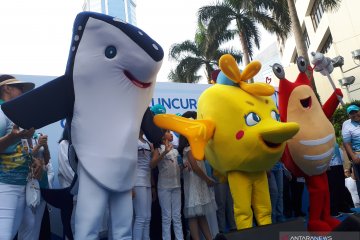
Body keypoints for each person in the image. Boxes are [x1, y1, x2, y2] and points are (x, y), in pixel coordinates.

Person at [0, 74, 43, 240]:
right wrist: (12, 137)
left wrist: (37, 160)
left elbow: (25, 148)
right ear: (6, 88)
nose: (23, 92)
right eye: (20, 88)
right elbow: (13, 139)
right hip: (4, 185)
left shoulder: (18, 116)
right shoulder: (1, 113)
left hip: (21, 185)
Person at [178, 111, 217, 240]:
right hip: (195, 181)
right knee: (194, 213)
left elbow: (203, 159)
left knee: (200, 213)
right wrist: (207, 180)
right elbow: (194, 167)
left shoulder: (196, 144)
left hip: (200, 180)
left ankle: (209, 238)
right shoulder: (188, 147)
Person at [17, 132, 54, 240]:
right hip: (26, 187)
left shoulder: (38, 135)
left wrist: (45, 146)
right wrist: (38, 146)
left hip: (41, 186)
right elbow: (23, 160)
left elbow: (46, 161)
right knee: (26, 226)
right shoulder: (19, 137)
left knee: (36, 225)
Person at [154, 129, 184, 240]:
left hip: (176, 186)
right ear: (162, 135)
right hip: (164, 187)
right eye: (168, 132)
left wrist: (183, 166)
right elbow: (152, 164)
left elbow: (177, 168)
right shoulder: (158, 149)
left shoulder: (175, 150)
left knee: (177, 217)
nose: (171, 134)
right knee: (166, 217)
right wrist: (165, 152)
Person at [132, 129, 160, 240]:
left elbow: (151, 167)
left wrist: (153, 186)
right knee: (140, 217)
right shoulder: (132, 141)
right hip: (137, 181)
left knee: (147, 217)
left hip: (147, 182)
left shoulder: (148, 143)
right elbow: (130, 164)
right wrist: (130, 186)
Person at [326, 142, 354, 217]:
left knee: (341, 186)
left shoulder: (332, 138)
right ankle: (333, 209)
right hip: (330, 165)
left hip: (338, 164)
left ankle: (342, 207)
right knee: (333, 188)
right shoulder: (321, 136)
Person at [342, 104, 360, 201]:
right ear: (349, 115)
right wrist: (353, 157)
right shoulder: (347, 125)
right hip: (358, 154)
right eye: (351, 113)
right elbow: (346, 143)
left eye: (356, 111)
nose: (354, 115)